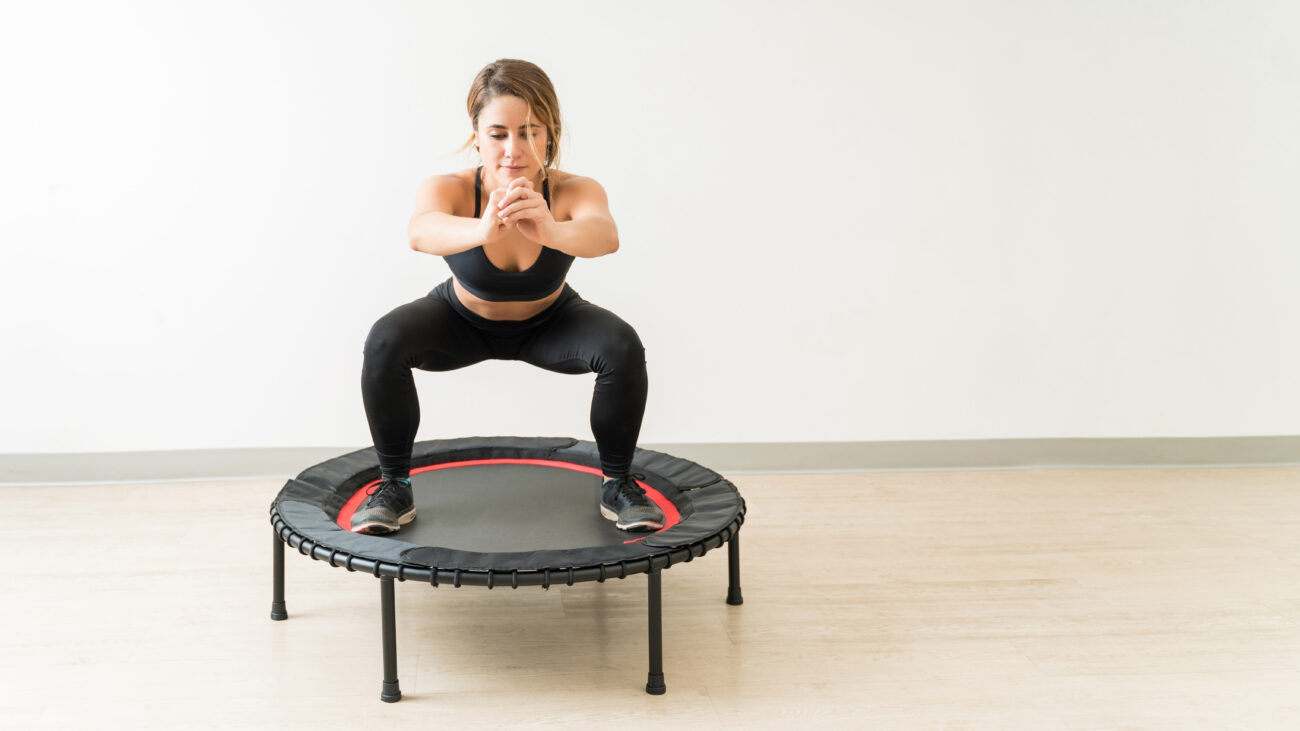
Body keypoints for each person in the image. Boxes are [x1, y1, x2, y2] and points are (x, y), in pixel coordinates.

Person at [354, 59, 663, 536]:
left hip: (551, 324)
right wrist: (482, 228)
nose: (513, 149)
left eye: (529, 132)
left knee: (622, 345)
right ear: (476, 134)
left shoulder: (572, 190)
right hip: (460, 322)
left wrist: (550, 228)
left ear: (548, 133)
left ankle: (618, 484)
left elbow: (605, 236)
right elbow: (421, 231)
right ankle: (393, 485)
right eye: (498, 133)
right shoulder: (451, 188)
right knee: (383, 340)